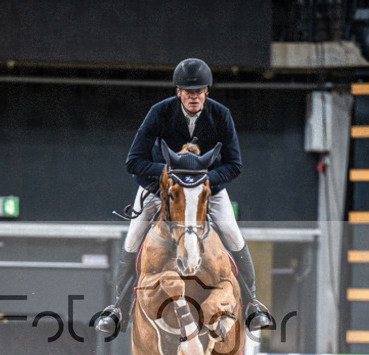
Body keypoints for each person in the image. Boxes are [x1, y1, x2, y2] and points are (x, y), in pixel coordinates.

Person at [95, 58, 272, 336]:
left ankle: (252, 305)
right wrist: (169, 176)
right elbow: (134, 161)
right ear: (178, 92)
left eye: (199, 91)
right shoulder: (159, 112)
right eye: (188, 92)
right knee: (133, 238)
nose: (194, 96)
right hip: (161, 187)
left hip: (206, 189)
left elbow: (234, 164)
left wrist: (202, 181)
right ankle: (118, 308)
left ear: (207, 92)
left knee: (232, 233)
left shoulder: (221, 115)